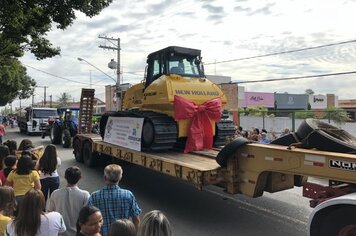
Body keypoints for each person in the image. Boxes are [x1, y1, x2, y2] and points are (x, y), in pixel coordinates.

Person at [88, 164, 141, 236]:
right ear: (120, 178)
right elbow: (136, 220)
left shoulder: (94, 196)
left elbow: (88, 220)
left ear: (105, 178)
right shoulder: (128, 195)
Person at [48, 166, 90, 236]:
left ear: (65, 177)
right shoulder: (85, 195)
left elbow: (50, 212)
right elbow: (87, 216)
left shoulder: (55, 193)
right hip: (77, 233)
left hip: (60, 233)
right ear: (80, 178)